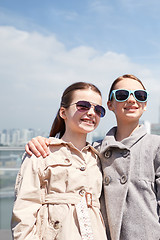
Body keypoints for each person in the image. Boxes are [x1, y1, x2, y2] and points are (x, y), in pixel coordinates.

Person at [25, 74, 160, 240]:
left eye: (139, 95)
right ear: (110, 105)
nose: (132, 100)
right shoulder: (94, 151)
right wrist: (43, 142)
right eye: (122, 95)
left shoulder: (158, 145)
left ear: (145, 104)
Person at [12, 82, 108, 239]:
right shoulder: (41, 152)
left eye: (98, 109)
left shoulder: (99, 157)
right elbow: (24, 211)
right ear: (63, 112)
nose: (91, 112)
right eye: (83, 106)